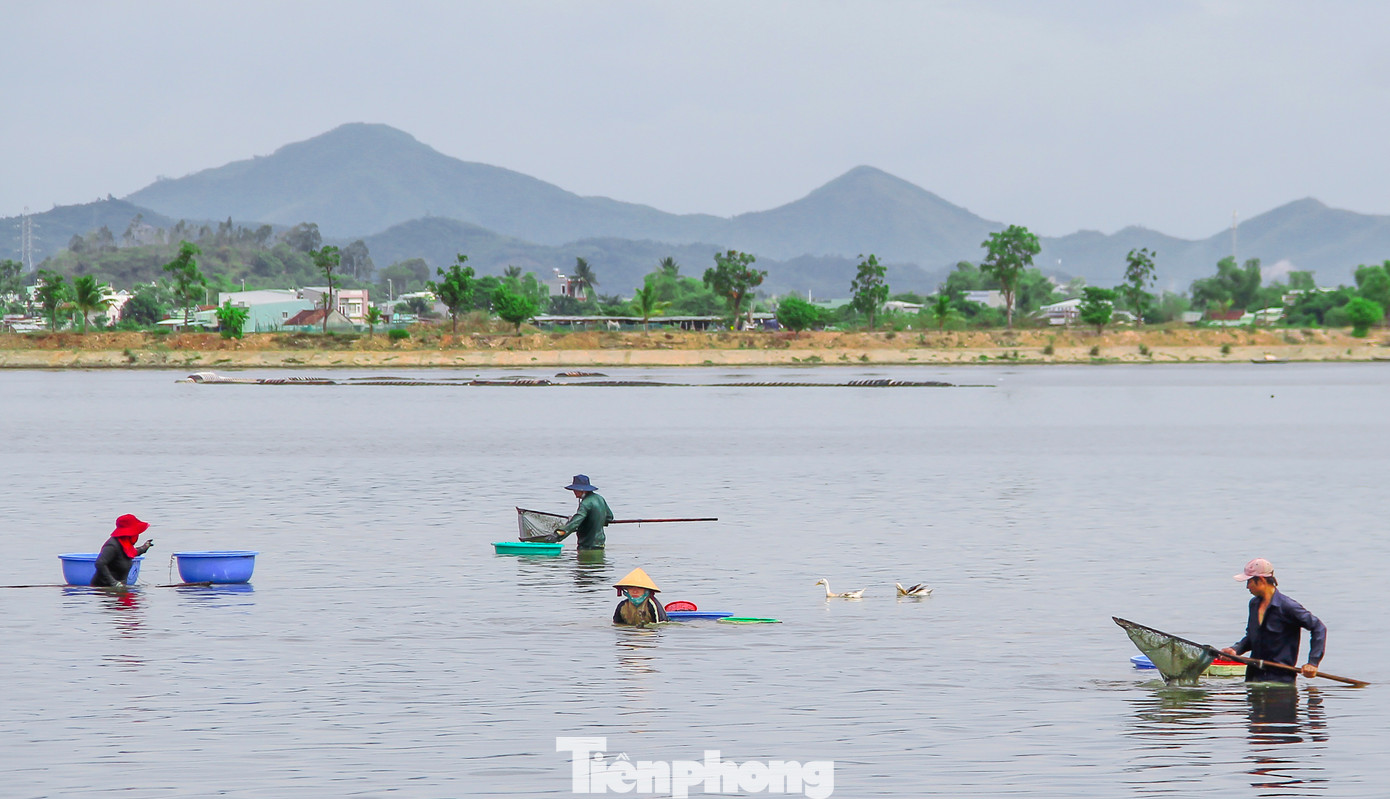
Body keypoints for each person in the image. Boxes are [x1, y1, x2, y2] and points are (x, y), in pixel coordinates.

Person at [1220, 557, 1326, 683]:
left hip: (1280, 679)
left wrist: (1312, 663)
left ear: (1261, 580)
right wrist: (1235, 649)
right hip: (1254, 676)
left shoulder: (1287, 606)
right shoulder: (1254, 604)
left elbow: (1319, 628)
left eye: (1249, 582)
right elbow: (1252, 637)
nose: (1247, 586)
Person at [92, 513, 154, 587]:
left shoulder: (125, 543)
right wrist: (114, 583)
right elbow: (100, 563)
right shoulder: (112, 545)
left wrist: (144, 547)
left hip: (120, 588)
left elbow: (132, 552)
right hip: (104, 588)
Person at [554, 474, 613, 552]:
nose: (574, 492)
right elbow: (609, 517)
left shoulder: (585, 503)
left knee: (583, 564)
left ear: (583, 490)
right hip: (600, 544)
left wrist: (558, 534)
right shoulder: (600, 498)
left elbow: (576, 522)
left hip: (587, 546)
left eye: (575, 490)